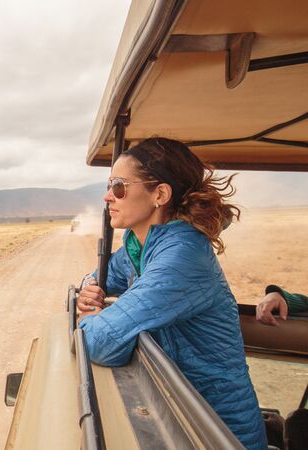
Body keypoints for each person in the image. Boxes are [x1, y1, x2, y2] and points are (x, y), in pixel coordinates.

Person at [76, 137, 267, 449]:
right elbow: (101, 276)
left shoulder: (182, 256)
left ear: (160, 195)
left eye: (119, 187)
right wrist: (89, 288)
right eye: (109, 185)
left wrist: (90, 315)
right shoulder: (142, 245)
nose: (108, 196)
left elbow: (101, 342)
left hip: (218, 432)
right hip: (183, 417)